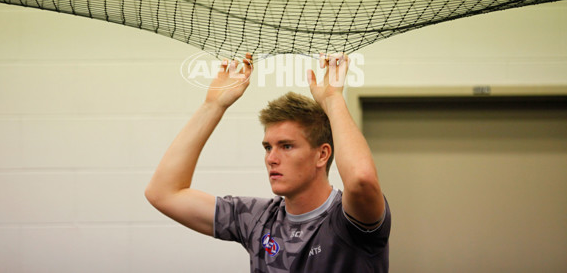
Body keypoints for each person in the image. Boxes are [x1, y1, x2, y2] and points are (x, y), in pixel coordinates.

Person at [145, 53, 390, 272]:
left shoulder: (348, 219)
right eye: (267, 147)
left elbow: (361, 179)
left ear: (322, 155)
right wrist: (213, 105)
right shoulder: (258, 219)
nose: (271, 159)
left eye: (286, 146)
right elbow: (163, 193)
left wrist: (333, 100)